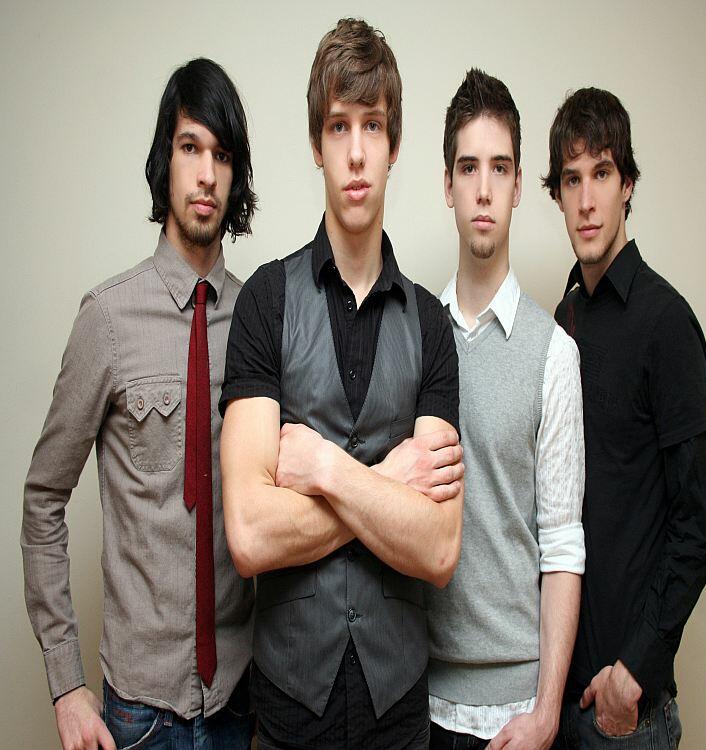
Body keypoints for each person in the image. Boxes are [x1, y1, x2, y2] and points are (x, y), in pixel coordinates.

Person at [220, 17, 463, 750]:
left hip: (399, 719)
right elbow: (249, 534)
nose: (356, 152)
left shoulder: (431, 325)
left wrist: (326, 469)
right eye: (338, 126)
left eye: (373, 126)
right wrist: (388, 484)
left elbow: (438, 550)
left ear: (394, 145)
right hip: (289, 715)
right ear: (316, 143)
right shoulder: (265, 302)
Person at [21, 58, 257, 750]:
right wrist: (66, 684)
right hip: (140, 716)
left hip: (243, 700)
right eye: (190, 148)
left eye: (222, 155)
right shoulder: (107, 319)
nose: (206, 174)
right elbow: (43, 499)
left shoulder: (260, 320)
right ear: (165, 160)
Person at [543, 87, 706, 748]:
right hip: (559, 695)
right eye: (572, 179)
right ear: (557, 195)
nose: (587, 200)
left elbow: (699, 526)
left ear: (628, 186)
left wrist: (633, 672)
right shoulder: (563, 320)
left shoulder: (666, 323)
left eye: (602, 173)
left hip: (626, 714)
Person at [426, 69, 585, 750]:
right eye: (469, 168)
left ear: (519, 185)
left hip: (516, 715)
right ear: (448, 185)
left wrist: (547, 713)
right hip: (417, 703)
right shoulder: (414, 337)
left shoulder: (554, 354)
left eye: (500, 168)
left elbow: (563, 543)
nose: (484, 189)